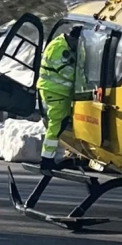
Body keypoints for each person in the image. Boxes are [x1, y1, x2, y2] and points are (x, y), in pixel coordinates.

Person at [36, 25, 82, 171]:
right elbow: (67, 73)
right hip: (56, 92)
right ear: (74, 39)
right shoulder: (59, 50)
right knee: (57, 124)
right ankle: (47, 160)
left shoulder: (60, 44)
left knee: (59, 123)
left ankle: (48, 158)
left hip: (55, 91)